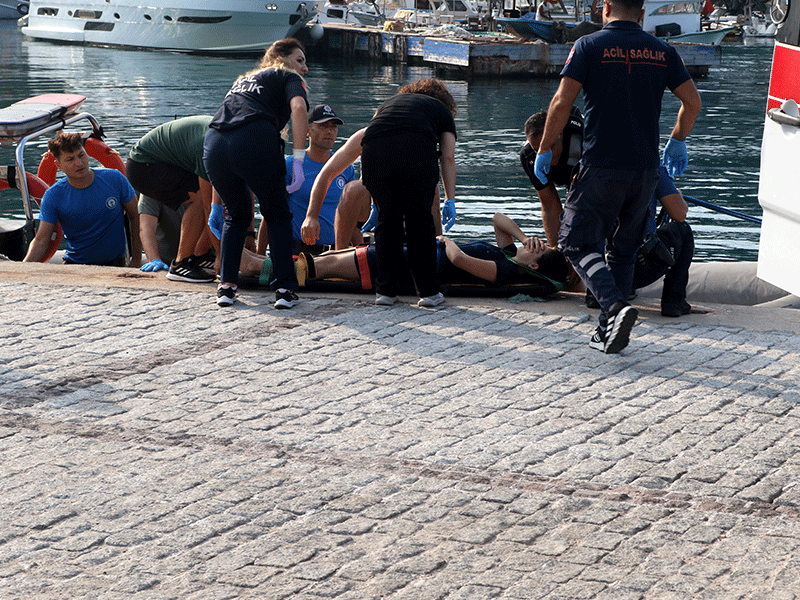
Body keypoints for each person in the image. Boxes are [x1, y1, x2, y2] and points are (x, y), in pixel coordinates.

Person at [533, 0, 701, 353]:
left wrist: (545, 148)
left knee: (575, 242)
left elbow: (562, 102)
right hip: (645, 171)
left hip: (601, 165)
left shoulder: (588, 46)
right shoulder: (663, 51)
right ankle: (606, 333)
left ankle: (614, 305)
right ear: (642, 13)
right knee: (623, 251)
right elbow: (692, 101)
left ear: (605, 7)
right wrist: (677, 140)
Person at [302, 78, 458, 309]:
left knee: (387, 222)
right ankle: (428, 293)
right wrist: (450, 199)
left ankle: (385, 292)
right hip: (414, 154)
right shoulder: (441, 111)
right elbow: (448, 156)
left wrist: (311, 215)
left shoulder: (387, 107)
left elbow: (330, 171)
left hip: (375, 154)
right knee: (419, 221)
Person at [522, 108, 695, 316]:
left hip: (597, 270)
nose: (546, 155)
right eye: (539, 149)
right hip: (638, 265)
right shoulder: (645, 156)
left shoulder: (590, 169)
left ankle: (598, 294)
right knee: (682, 231)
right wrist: (677, 195)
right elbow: (679, 214)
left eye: (550, 146)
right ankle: (673, 302)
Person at [203, 38, 309, 308]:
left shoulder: (245, 80)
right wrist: (298, 160)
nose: (304, 68)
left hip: (214, 143)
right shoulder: (287, 75)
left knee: (236, 214)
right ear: (282, 59)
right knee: (276, 213)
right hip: (254, 138)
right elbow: (298, 108)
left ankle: (226, 286)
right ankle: (285, 290)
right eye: (300, 60)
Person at [270, 211, 568, 292]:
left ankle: (261, 270)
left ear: (536, 267)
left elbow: (460, 260)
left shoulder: (503, 271)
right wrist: (525, 237)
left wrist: (445, 239)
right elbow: (497, 218)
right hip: (408, 253)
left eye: (540, 249)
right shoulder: (507, 253)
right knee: (327, 258)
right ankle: (260, 264)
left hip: (408, 264)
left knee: (325, 267)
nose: (536, 245)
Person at [23, 131, 141, 267]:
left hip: (115, 264)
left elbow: (136, 216)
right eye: (70, 159)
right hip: (75, 264)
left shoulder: (115, 179)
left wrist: (136, 259)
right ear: (59, 166)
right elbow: (41, 240)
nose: (79, 163)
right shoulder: (53, 196)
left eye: (81, 155)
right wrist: (22, 269)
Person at [267, 103, 371, 255]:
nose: (329, 131)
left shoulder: (347, 168)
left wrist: (360, 252)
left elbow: (353, 221)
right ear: (307, 130)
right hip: (297, 252)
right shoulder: (290, 166)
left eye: (333, 126)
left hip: (335, 253)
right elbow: (271, 212)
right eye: (323, 126)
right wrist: (260, 251)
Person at [126, 115, 217, 282]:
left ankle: (198, 256)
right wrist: (154, 259)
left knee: (214, 198)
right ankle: (182, 263)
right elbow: (145, 228)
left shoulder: (198, 158)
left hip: (195, 255)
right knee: (202, 198)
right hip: (142, 166)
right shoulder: (156, 183)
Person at [138, 194, 216, 273]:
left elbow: (212, 219)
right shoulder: (152, 188)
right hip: (166, 262)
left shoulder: (205, 186)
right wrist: (154, 259)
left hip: (206, 260)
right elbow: (146, 229)